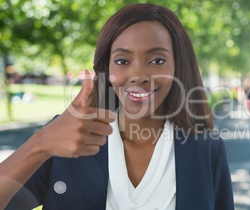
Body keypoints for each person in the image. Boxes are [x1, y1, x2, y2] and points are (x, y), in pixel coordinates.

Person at [0, 3, 234, 210]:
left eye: (157, 60)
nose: (138, 75)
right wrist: (41, 143)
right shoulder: (68, 139)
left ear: (178, 66)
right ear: (106, 69)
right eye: (122, 61)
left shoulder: (207, 150)